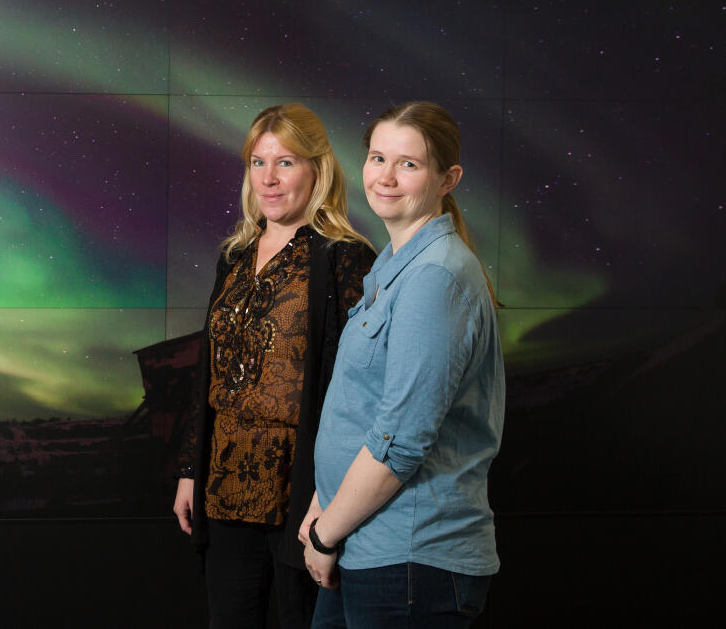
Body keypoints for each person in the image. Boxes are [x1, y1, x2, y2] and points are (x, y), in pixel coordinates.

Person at [300, 101, 504, 628]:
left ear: (447, 179)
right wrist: (325, 507)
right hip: (363, 540)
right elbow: (362, 408)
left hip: (410, 559)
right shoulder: (393, 265)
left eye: (408, 164)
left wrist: (326, 532)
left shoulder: (434, 276)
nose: (385, 177)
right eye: (376, 158)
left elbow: (400, 439)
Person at [173, 103, 376, 629]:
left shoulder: (344, 257)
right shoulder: (234, 255)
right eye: (257, 163)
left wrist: (332, 499)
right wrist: (191, 470)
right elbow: (210, 370)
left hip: (300, 487)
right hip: (225, 483)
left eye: (285, 163)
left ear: (317, 169)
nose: (268, 178)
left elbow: (355, 388)